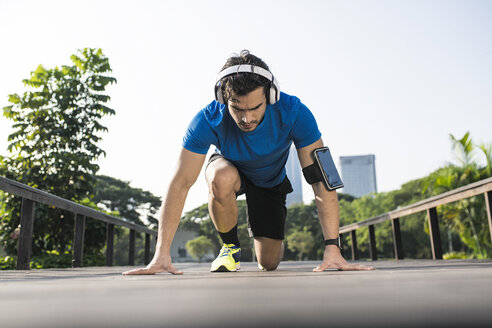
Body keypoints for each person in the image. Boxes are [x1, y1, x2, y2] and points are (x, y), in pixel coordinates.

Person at [123, 50, 373, 275]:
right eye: (237, 108)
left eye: (254, 108)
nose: (246, 118)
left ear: (271, 95)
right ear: (223, 98)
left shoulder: (295, 112)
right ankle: (230, 248)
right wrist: (161, 253)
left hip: (270, 182)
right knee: (220, 177)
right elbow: (180, 183)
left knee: (269, 262)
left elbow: (321, 181)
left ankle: (266, 240)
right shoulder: (208, 119)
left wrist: (332, 247)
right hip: (229, 168)